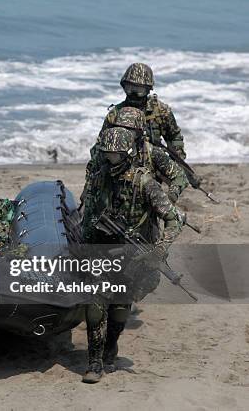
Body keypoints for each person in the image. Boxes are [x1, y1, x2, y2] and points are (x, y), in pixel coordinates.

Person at [80, 127, 185, 383]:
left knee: (119, 308)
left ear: (126, 153)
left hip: (132, 254)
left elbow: (174, 218)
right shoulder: (97, 178)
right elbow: (87, 214)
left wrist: (160, 248)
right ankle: (94, 361)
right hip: (101, 250)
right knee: (94, 305)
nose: (109, 160)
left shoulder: (145, 183)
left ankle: (110, 348)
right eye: (106, 155)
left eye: (115, 155)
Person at [82, 106, 189, 206]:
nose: (124, 134)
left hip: (140, 210)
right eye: (120, 128)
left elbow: (179, 175)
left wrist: (171, 195)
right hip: (110, 210)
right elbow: (91, 177)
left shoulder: (151, 152)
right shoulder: (105, 153)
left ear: (139, 133)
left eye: (130, 131)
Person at [102, 63, 186, 159]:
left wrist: (176, 160)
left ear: (148, 90)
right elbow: (101, 144)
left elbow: (174, 137)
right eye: (129, 88)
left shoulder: (160, 111)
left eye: (139, 90)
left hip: (155, 161)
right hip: (123, 164)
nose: (133, 94)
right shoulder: (115, 114)